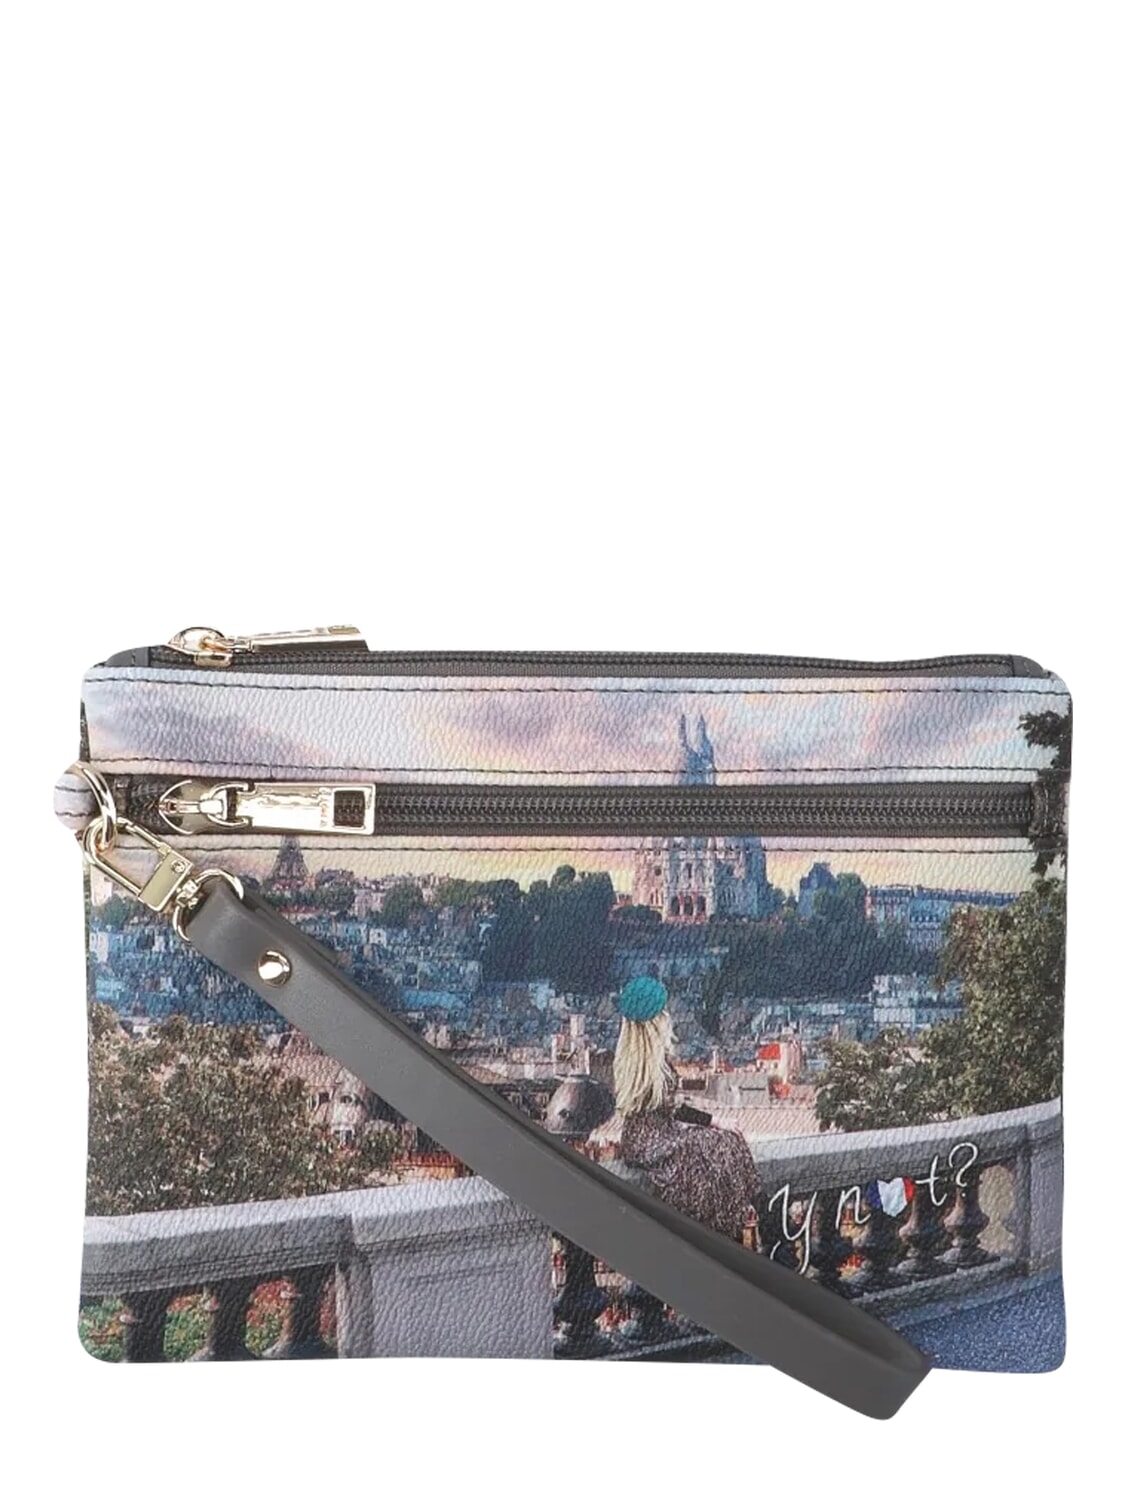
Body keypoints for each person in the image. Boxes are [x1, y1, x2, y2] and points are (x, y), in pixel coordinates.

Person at [614, 976, 760, 1241]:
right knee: (719, 1144)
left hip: (644, 1139)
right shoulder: (656, 1065)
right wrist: (713, 1120)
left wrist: (711, 1121)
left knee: (716, 1143)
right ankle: (739, 1218)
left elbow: (666, 1107)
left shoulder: (632, 1063)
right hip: (656, 1139)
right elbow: (673, 1108)